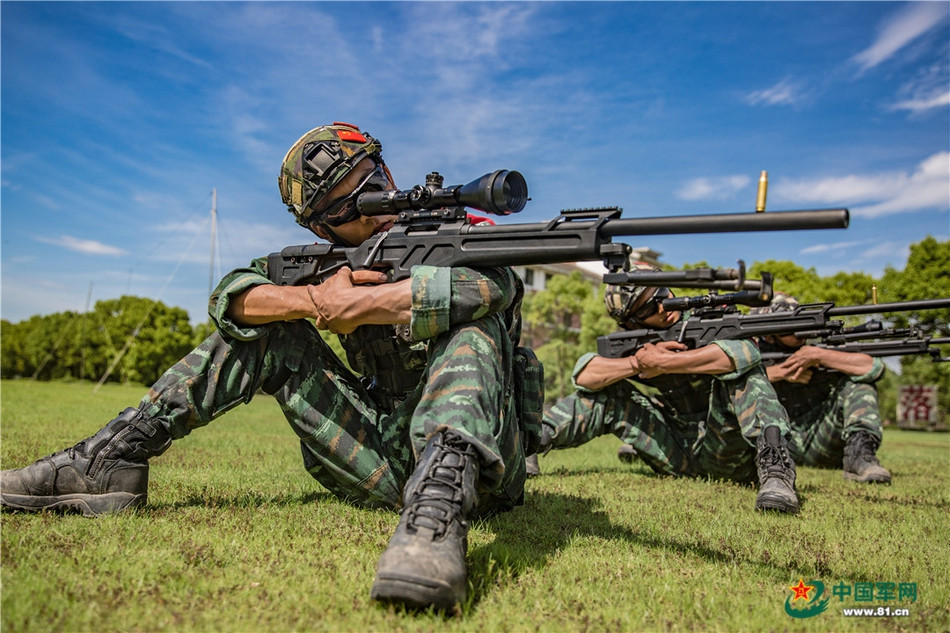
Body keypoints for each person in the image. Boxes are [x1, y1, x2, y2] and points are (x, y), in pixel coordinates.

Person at [0, 122, 541, 612]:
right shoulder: (320, 264)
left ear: (388, 173)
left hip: (488, 468)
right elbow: (232, 295)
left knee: (475, 325)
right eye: (341, 208)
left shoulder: (464, 234)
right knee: (271, 327)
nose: (368, 207)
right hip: (381, 459)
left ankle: (435, 517)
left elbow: (493, 287)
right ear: (324, 229)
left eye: (370, 184)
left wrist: (365, 305)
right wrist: (315, 303)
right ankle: (106, 461)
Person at [526, 266, 801, 514]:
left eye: (661, 294)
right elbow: (585, 375)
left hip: (730, 452)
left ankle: (776, 472)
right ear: (631, 324)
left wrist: (668, 363)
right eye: (648, 308)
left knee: (746, 375)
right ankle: (529, 444)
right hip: (677, 452)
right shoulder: (638, 343)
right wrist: (637, 363)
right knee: (606, 395)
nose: (662, 307)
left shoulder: (709, 320)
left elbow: (746, 354)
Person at [753, 293, 891, 483]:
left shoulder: (821, 347)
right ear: (770, 334)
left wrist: (819, 356)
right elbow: (726, 383)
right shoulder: (753, 350)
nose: (798, 332)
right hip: (772, 442)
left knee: (859, 383)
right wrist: (780, 372)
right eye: (789, 327)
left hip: (822, 439)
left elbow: (873, 368)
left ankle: (859, 458)